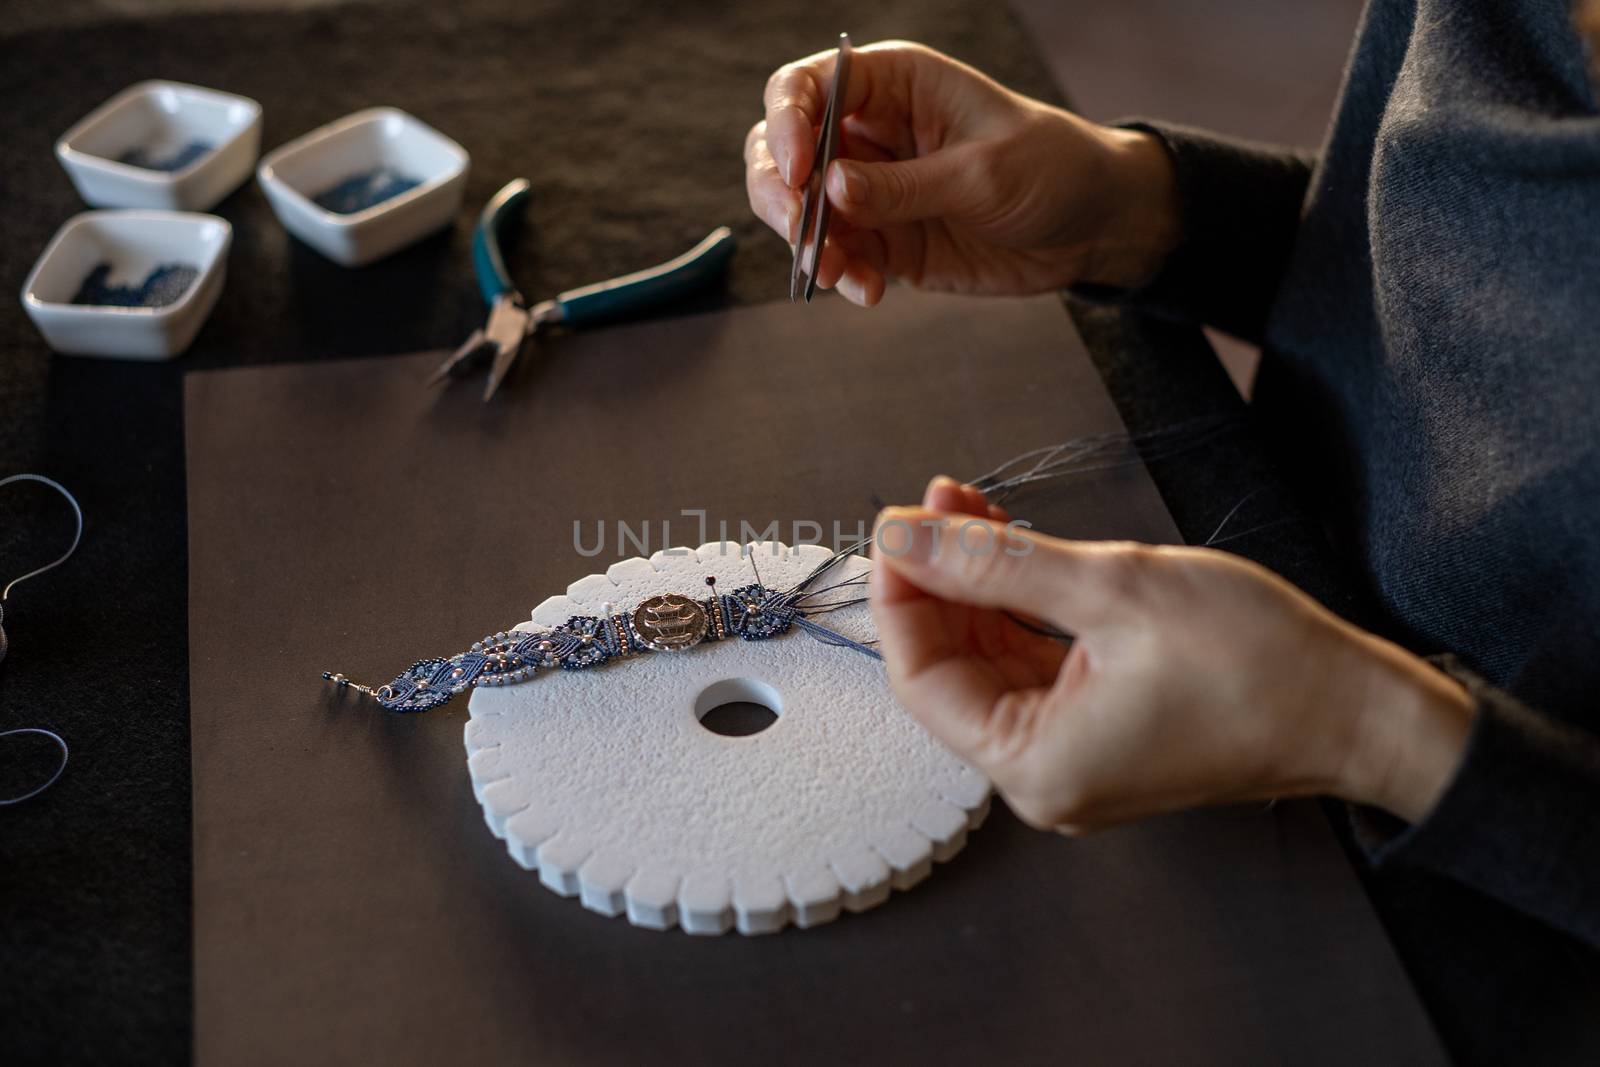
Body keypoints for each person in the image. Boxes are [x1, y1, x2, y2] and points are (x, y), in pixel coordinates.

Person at [744, 0, 1600, 960]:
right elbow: (1489, 274)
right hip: (1247, 571)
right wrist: (1127, 212)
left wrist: (1372, 728)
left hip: (1479, 932)